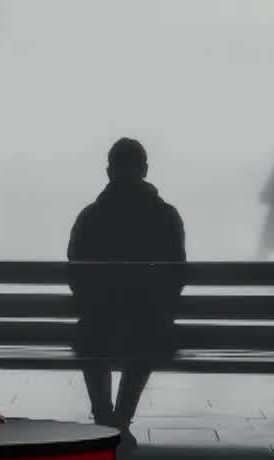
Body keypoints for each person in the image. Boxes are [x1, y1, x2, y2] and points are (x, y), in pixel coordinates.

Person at [66, 137, 186, 435]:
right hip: (149, 328)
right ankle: (120, 419)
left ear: (109, 172)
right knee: (149, 337)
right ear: (144, 170)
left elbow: (75, 276)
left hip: (97, 328)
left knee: (91, 338)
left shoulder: (90, 216)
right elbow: (177, 275)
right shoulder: (166, 215)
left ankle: (103, 417)